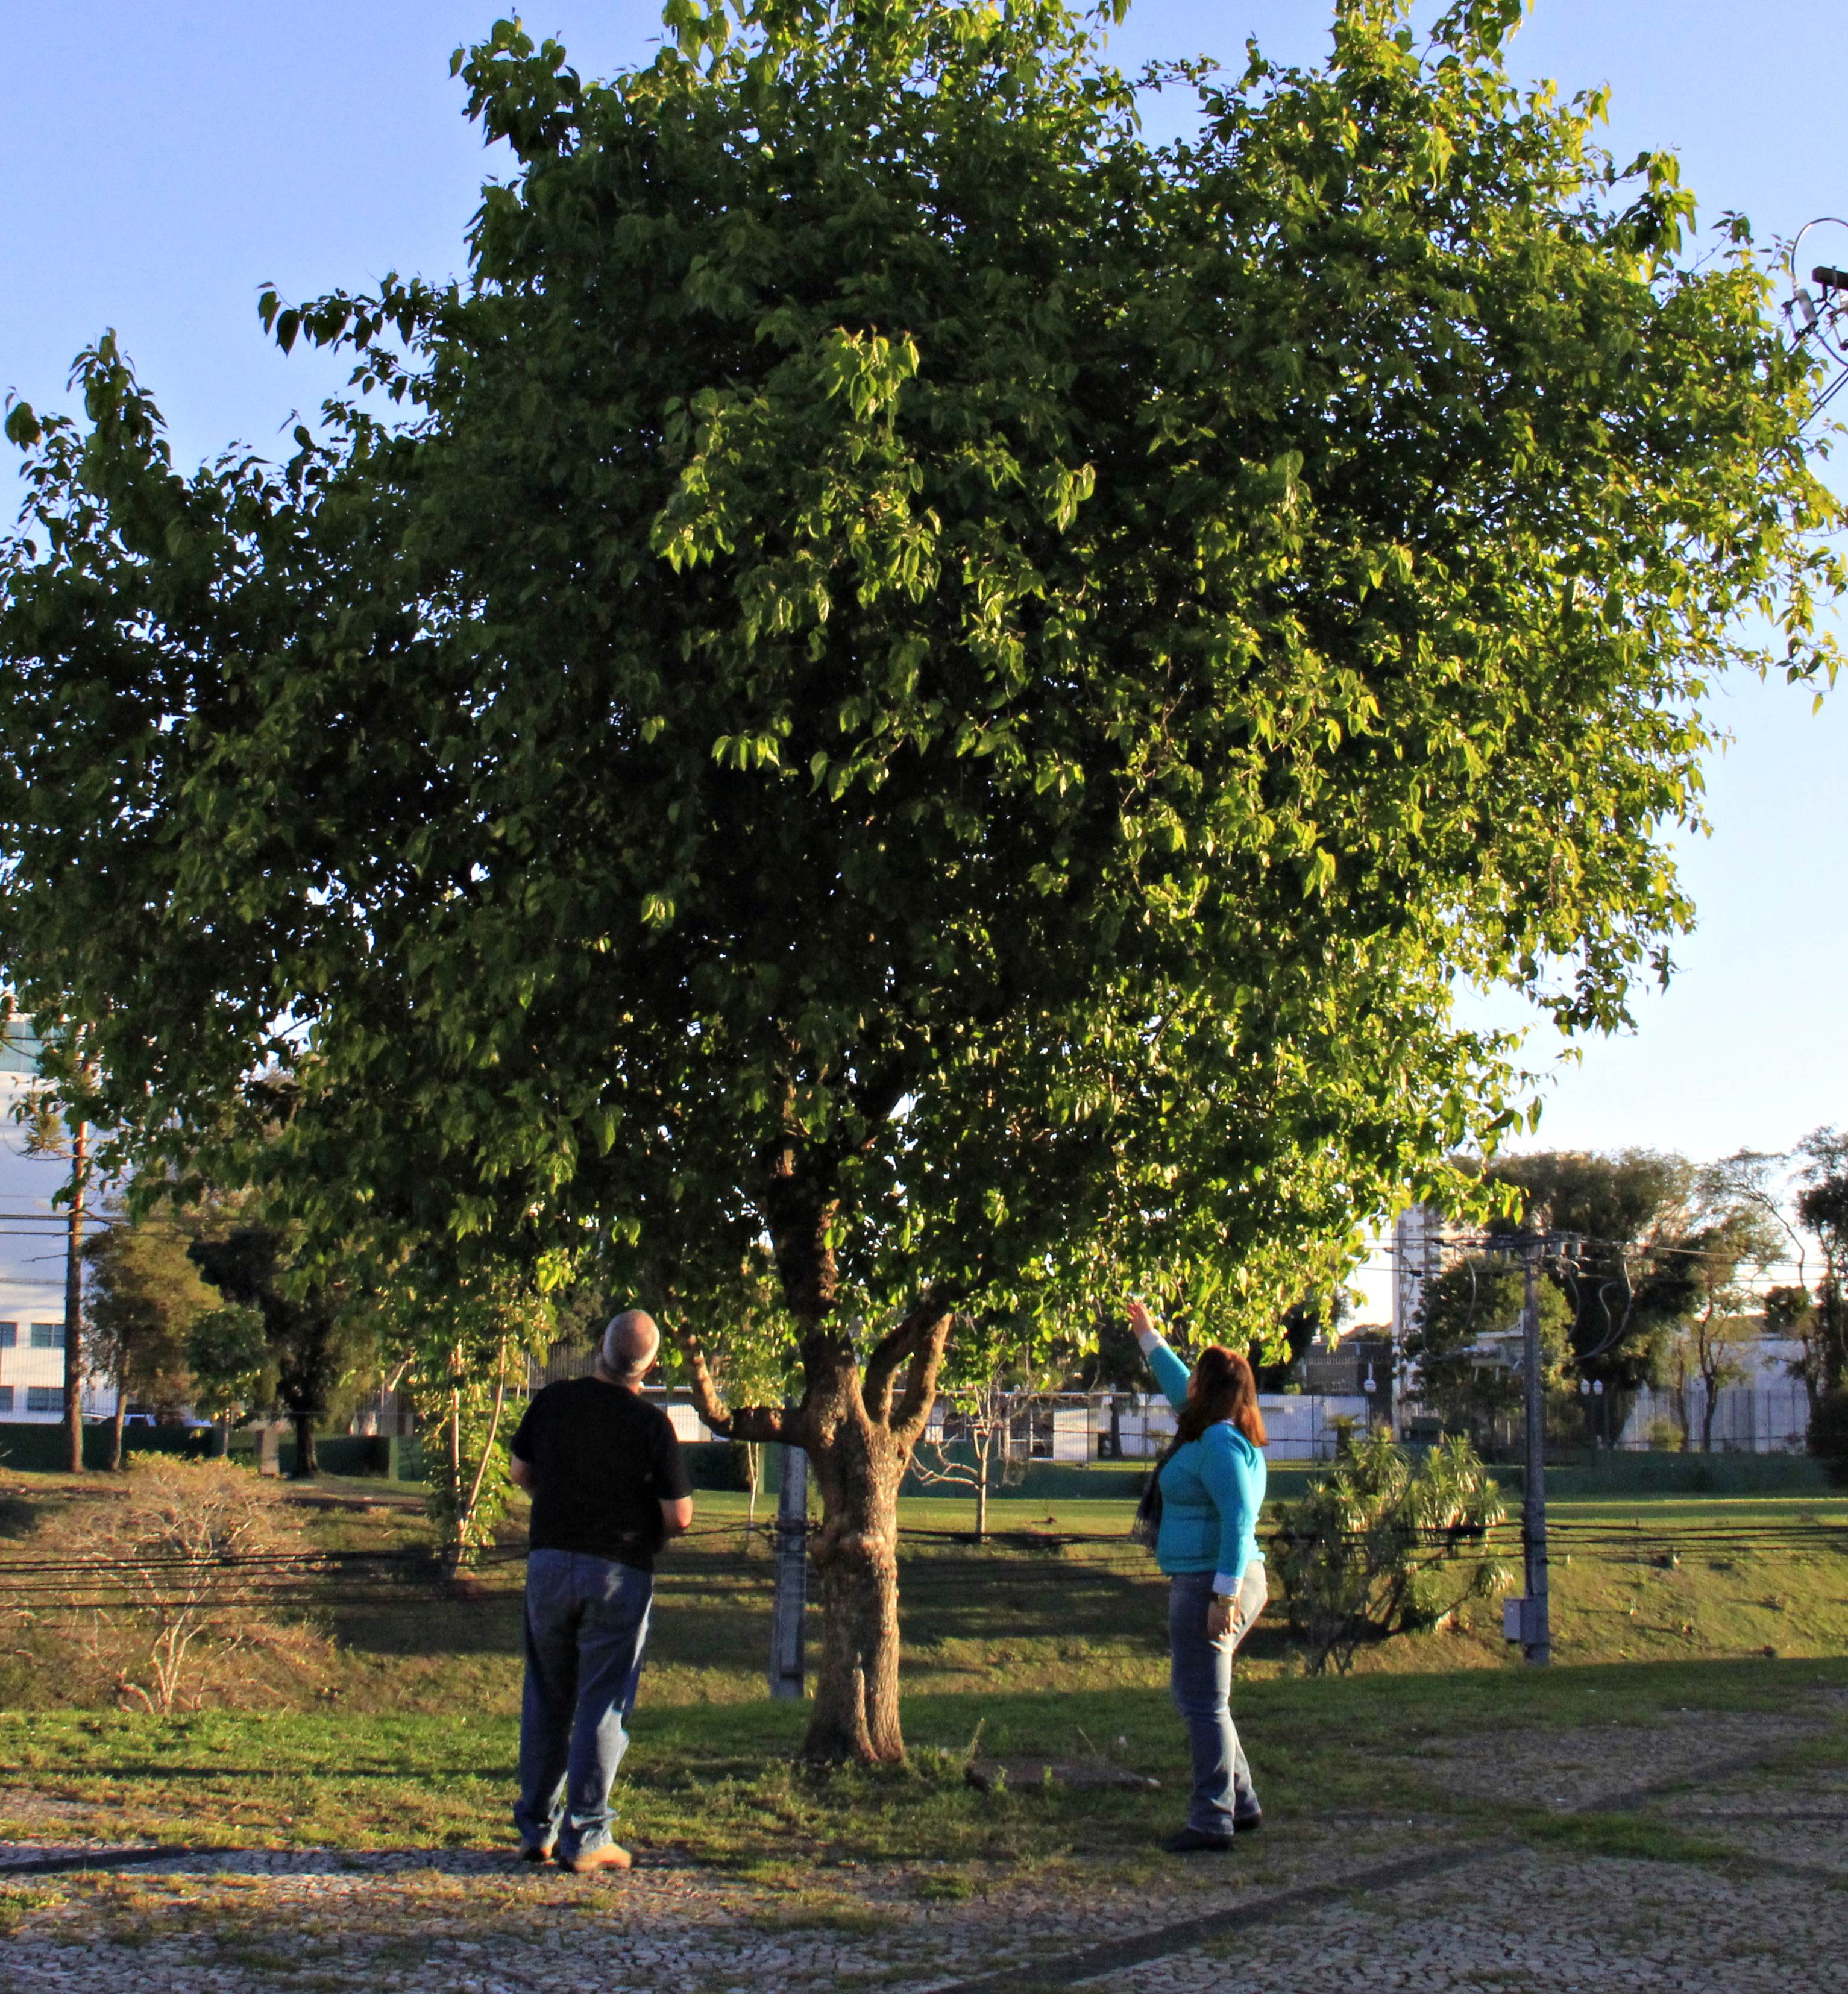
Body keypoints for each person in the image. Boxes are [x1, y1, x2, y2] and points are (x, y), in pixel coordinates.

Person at [508, 1308, 694, 1872]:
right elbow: (679, 1515)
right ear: (650, 1365)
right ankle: (586, 1837)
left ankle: (534, 1829)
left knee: (546, 1695)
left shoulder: (554, 1400)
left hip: (548, 1563)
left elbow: (520, 1472)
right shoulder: (651, 1426)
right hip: (616, 1571)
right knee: (601, 1703)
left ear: (600, 1350)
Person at [1127, 1297, 1269, 1854]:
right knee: (1203, 1698)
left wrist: (1224, 1595)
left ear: (1207, 1393)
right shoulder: (1216, 1432)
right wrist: (1148, 1336)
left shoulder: (1218, 1447)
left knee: (1202, 1702)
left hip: (1212, 1582)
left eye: (1197, 1381)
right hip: (1210, 1578)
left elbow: (1238, 1519)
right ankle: (1243, 1801)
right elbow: (1177, 1382)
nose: (1187, 1387)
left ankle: (1213, 1819)